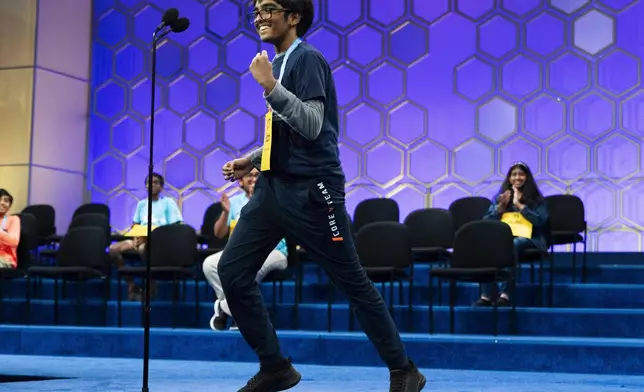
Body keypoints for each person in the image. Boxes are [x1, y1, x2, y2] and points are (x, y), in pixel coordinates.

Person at [216, 1, 426, 391]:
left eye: (268, 8)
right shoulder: (278, 62)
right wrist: (251, 160)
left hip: (315, 192)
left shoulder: (307, 60)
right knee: (231, 272)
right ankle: (275, 366)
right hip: (273, 189)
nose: (259, 16)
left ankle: (404, 369)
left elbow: (312, 124)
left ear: (293, 17)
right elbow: (285, 129)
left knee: (351, 281)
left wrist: (269, 85)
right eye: (255, 10)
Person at [203, 168, 288, 331]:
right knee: (209, 264)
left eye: (258, 175)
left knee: (246, 268)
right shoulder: (234, 203)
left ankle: (226, 308)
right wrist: (226, 213)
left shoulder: (274, 198)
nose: (254, 179)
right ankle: (235, 312)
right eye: (250, 175)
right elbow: (219, 234)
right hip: (240, 251)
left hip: (274, 251)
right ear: (241, 181)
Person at [475, 162, 549, 307]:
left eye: (521, 174)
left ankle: (505, 295)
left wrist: (520, 205)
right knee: (488, 246)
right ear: (509, 178)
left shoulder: (538, 200)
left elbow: (541, 221)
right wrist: (500, 208)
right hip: (503, 238)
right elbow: (486, 221)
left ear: (527, 177)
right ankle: (486, 296)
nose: (517, 178)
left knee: (514, 243)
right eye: (514, 175)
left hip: (530, 238)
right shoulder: (500, 197)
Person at [108, 173, 183, 301]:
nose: (152, 185)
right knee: (113, 249)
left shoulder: (168, 203)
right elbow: (136, 224)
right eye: (149, 182)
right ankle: (131, 284)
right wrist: (137, 236)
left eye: (155, 182)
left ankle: (151, 286)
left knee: (143, 249)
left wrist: (148, 238)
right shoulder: (142, 204)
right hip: (139, 238)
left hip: (159, 241)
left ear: (161, 187)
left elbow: (176, 226)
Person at [0, 189, 20, 269]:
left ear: (10, 205)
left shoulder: (13, 219)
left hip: (6, 258)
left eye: (6, 201)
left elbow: (14, 242)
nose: (2, 202)